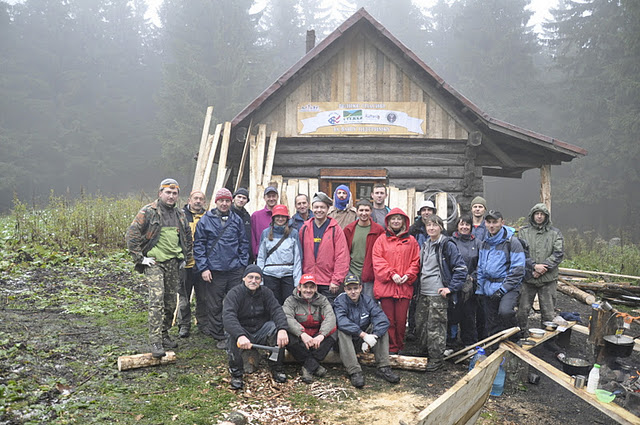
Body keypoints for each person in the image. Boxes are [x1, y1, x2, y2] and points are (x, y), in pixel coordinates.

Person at [125, 178, 193, 358]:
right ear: (160, 193)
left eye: (174, 193)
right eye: (168, 192)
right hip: (154, 263)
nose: (171, 196)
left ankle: (164, 334)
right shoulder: (149, 212)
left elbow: (187, 235)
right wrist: (140, 258)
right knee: (157, 300)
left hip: (173, 263)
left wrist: (185, 257)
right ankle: (155, 341)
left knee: (170, 302)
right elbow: (132, 233)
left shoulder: (179, 214)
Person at [193, 188, 249, 349]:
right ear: (216, 202)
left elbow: (243, 243)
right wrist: (204, 268)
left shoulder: (236, 220)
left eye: (227, 201)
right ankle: (218, 335)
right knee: (214, 304)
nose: (224, 203)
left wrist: (241, 264)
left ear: (231, 202)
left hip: (234, 270)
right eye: (221, 200)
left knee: (235, 302)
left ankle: (234, 333)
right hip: (214, 271)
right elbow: (199, 246)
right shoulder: (205, 220)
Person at [222, 265, 289, 390]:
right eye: (250, 277)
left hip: (260, 329)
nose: (253, 281)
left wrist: (282, 329)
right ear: (244, 278)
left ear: (261, 280)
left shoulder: (266, 293)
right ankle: (236, 373)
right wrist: (240, 335)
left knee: (274, 329)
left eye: (257, 278)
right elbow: (228, 317)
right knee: (231, 335)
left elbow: (277, 310)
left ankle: (277, 368)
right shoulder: (234, 293)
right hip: (242, 331)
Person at [415, 215, 467, 371]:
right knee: (421, 324)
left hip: (438, 293)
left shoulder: (446, 245)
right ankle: (425, 353)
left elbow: (461, 269)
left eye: (435, 225)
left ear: (441, 227)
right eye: (429, 225)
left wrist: (450, 288)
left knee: (436, 327)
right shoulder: (425, 245)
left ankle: (436, 358)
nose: (431, 228)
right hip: (423, 292)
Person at [334, 274, 400, 388]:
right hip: (346, 344)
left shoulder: (367, 300)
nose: (353, 292)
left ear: (360, 288)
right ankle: (354, 371)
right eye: (349, 289)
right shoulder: (340, 301)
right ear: (345, 290)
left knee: (381, 329)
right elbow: (341, 321)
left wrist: (373, 336)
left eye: (355, 288)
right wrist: (363, 335)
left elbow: (382, 319)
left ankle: (383, 367)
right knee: (342, 331)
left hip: (363, 341)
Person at [372, 208, 420, 354]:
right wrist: (392, 274)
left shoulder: (411, 241)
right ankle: (390, 348)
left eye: (399, 219)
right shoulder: (381, 239)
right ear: (388, 221)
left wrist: (409, 275)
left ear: (404, 221)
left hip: (403, 288)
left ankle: (400, 346)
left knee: (400, 321)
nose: (396, 221)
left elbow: (415, 261)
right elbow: (378, 260)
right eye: (393, 219)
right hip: (386, 287)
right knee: (388, 321)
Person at [476, 210, 525, 337]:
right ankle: (495, 346)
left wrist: (503, 290)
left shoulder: (512, 242)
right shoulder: (485, 243)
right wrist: (480, 289)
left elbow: (518, 270)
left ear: (502, 223)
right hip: (488, 286)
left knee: (505, 312)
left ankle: (516, 337)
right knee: (491, 321)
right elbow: (480, 267)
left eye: (495, 222)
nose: (491, 226)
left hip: (508, 287)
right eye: (489, 222)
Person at [516, 203, 564, 332]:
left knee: (548, 313)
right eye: (536, 214)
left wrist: (544, 268)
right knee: (522, 311)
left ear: (546, 216)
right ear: (532, 215)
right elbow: (520, 252)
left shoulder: (555, 233)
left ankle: (548, 342)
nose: (539, 216)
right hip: (528, 279)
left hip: (548, 279)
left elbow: (558, 253)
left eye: (542, 214)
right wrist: (533, 266)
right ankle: (521, 335)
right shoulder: (523, 232)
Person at [283, 274, 336, 383]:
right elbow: (287, 317)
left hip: (317, 337)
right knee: (288, 335)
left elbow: (330, 317)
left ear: (316, 288)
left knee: (334, 332)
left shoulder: (323, 300)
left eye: (311, 287)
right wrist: (302, 334)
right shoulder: (290, 301)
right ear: (299, 287)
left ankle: (307, 367)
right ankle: (314, 366)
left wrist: (321, 335)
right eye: (305, 287)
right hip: (300, 337)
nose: (308, 290)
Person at [299, 192, 349, 305]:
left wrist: (336, 280)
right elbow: (299, 255)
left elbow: (342, 256)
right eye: (316, 207)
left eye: (322, 207)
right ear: (312, 208)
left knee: (327, 315)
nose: (319, 210)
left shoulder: (335, 229)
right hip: (309, 281)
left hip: (328, 282)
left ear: (328, 209)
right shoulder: (305, 228)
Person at [177, 190, 208, 338]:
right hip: (185, 264)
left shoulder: (208, 217)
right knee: (184, 297)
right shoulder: (180, 216)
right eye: (195, 198)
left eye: (201, 199)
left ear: (204, 202)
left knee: (203, 297)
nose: (197, 201)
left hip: (202, 265)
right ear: (189, 199)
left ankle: (202, 323)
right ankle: (184, 325)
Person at [257, 204, 302, 305]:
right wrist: (260, 279)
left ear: (287, 218)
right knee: (271, 305)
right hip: (270, 275)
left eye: (283, 216)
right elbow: (261, 257)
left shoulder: (294, 233)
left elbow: (298, 258)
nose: (280, 219)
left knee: (289, 305)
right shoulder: (266, 233)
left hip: (288, 276)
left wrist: (297, 280)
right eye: (278, 216)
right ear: (273, 218)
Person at [450, 214, 483, 346]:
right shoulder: (450, 241)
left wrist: (473, 277)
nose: (464, 227)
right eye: (461, 224)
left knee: (469, 315)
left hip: (470, 285)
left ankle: (469, 342)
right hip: (453, 283)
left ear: (471, 227)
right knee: (452, 314)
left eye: (467, 225)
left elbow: (482, 263)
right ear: (457, 226)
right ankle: (450, 342)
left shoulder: (477, 242)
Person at [343, 199, 385, 299]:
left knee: (369, 303)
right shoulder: (349, 229)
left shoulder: (378, 231)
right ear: (356, 212)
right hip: (352, 272)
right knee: (351, 303)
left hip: (370, 274)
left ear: (371, 211)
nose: (364, 213)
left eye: (367, 210)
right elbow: (344, 252)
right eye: (361, 210)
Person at [251, 186, 279, 258]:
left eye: (273, 196)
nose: (271, 199)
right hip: (261, 256)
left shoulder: (282, 216)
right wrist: (255, 252)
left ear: (277, 197)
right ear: (264, 198)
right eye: (269, 196)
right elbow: (252, 236)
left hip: (279, 257)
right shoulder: (256, 216)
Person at [232, 187, 253, 263]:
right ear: (234, 198)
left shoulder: (246, 216)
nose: (241, 200)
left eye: (244, 198)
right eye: (239, 197)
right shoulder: (228, 214)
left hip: (244, 256)